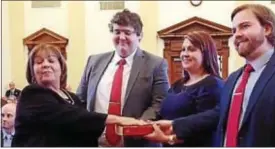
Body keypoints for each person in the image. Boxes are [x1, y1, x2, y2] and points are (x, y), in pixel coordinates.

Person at [148, 3, 275, 147]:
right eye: (233, 30)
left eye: (244, 26)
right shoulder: (233, 79)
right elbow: (217, 115)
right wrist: (174, 126)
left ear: (267, 28)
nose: (237, 35)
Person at [12, 43, 146, 147]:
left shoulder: (72, 98)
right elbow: (73, 116)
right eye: (39, 62)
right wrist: (120, 119)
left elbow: (85, 127)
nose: (45, 65)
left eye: (51, 61)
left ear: (61, 67)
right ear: (32, 70)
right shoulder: (31, 94)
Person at [76, 9, 169, 147]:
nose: (121, 37)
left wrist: (136, 128)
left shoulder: (156, 64)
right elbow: (80, 100)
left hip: (137, 143)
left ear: (139, 36)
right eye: (117, 31)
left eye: (127, 32)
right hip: (96, 142)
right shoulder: (94, 61)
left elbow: (160, 103)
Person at [144, 31, 224, 147]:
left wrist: (169, 138)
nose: (185, 54)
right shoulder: (178, 84)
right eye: (183, 50)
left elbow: (207, 125)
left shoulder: (213, 85)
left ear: (206, 53)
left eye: (192, 49)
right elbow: (165, 113)